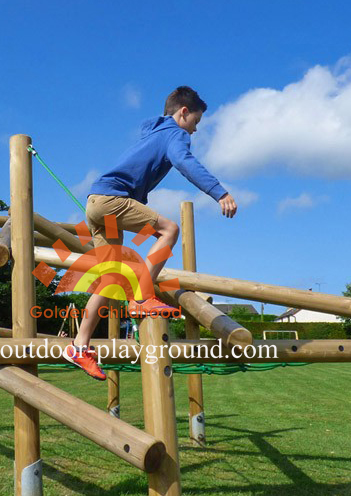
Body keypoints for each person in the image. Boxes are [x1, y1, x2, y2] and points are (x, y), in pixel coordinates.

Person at [64, 86, 238, 380]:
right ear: (183, 113)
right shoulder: (175, 134)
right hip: (111, 201)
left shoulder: (154, 131)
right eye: (195, 123)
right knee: (169, 229)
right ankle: (143, 297)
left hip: (95, 202)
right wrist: (219, 193)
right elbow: (185, 162)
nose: (194, 132)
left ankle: (79, 346)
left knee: (109, 279)